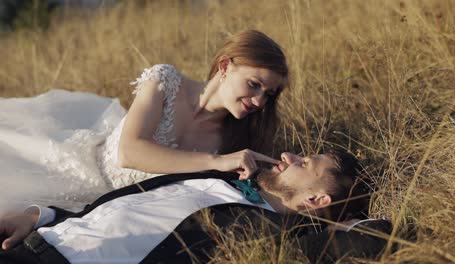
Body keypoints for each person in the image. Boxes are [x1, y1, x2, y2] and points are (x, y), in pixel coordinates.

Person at [0, 29, 288, 213]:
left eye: (269, 94)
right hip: (80, 172)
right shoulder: (166, 82)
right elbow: (129, 152)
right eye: (254, 85)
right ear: (225, 66)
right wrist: (214, 162)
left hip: (121, 212)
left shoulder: (234, 139)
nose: (260, 101)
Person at [0, 149, 384, 263]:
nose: (288, 155)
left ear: (316, 200)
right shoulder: (218, 177)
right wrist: (39, 214)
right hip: (31, 238)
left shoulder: (263, 238)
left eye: (304, 163)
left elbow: (370, 239)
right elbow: (109, 209)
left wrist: (346, 227)